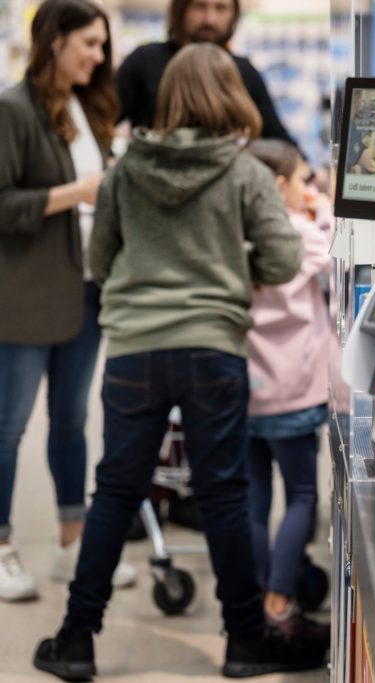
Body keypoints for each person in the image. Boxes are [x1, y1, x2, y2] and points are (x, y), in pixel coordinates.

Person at [33, 43, 327, 681]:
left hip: (133, 351)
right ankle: (245, 641)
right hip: (213, 351)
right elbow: (282, 261)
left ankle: (76, 639)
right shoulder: (245, 173)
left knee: (116, 491)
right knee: (224, 494)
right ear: (231, 96)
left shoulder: (123, 172)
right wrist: (228, 266)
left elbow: (99, 261)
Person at [0, 0, 135, 603]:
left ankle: (71, 542)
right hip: (26, 296)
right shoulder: (12, 109)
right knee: (8, 427)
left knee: (72, 420)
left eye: (103, 45)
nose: (99, 57)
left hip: (87, 288)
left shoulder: (87, 107)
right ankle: (2, 545)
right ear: (55, 41)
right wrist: (74, 192)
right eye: (89, 44)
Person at [243, 139, 331, 636]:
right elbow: (339, 249)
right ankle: (280, 603)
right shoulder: (298, 232)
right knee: (300, 495)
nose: (308, 188)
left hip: (246, 390)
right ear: (279, 186)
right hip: (293, 389)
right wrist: (325, 208)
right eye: (302, 180)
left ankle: (259, 598)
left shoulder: (235, 229)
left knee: (254, 498)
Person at [116, 0, 293, 144]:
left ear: (234, 14)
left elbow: (279, 140)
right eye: (199, 6)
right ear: (181, 9)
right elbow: (105, 119)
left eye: (221, 8)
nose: (210, 19)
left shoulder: (244, 71)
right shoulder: (145, 61)